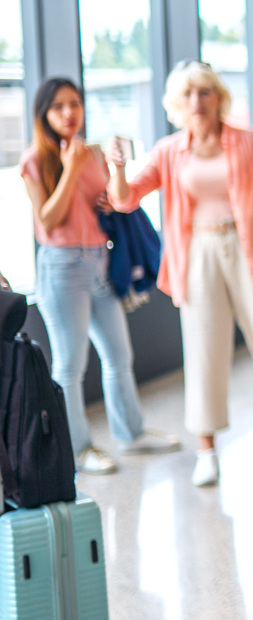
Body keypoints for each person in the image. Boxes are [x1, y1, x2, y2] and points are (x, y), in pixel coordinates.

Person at [107, 61, 253, 488]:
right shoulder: (168, 150)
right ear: (177, 104)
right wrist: (117, 167)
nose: (197, 102)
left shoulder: (248, 142)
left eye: (205, 93)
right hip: (197, 254)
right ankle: (207, 449)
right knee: (202, 352)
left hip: (251, 248)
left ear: (218, 97)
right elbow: (124, 200)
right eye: (188, 95)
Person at [19, 77, 179, 475]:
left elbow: (114, 200)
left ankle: (131, 434)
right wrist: (70, 169)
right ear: (44, 114)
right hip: (61, 268)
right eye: (59, 107)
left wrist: (111, 187)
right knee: (70, 364)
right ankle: (77, 449)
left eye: (75, 104)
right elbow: (48, 221)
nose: (70, 113)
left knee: (119, 355)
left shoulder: (93, 154)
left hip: (100, 265)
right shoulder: (34, 161)